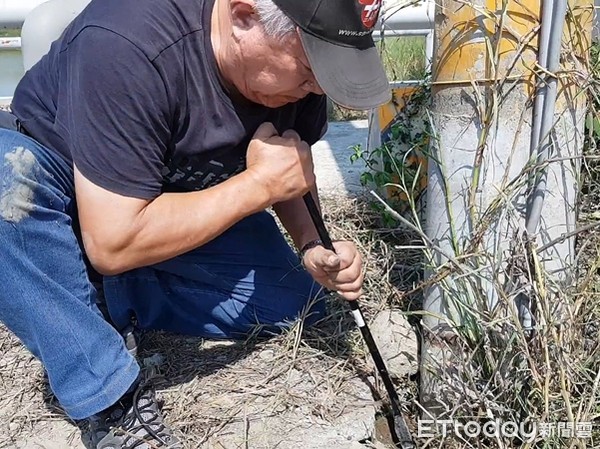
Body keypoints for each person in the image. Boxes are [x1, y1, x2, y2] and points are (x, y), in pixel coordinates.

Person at [0, 0, 390, 447]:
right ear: (244, 17)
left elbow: (290, 163)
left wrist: (311, 244)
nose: (317, 85)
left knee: (295, 302)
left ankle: (84, 294)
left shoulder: (295, 81)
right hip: (62, 182)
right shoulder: (127, 43)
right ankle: (107, 396)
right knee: (5, 185)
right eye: (308, 68)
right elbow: (112, 243)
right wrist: (256, 187)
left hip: (167, 203)